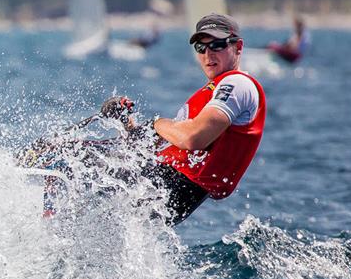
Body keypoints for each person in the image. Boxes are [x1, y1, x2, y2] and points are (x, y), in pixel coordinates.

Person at [101, 13, 267, 225]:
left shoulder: (237, 85)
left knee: (67, 159)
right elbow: (141, 145)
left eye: (217, 45)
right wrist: (125, 121)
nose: (208, 54)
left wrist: (156, 123)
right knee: (70, 155)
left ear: (238, 47)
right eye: (201, 48)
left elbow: (193, 138)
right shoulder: (212, 93)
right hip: (161, 183)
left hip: (171, 186)